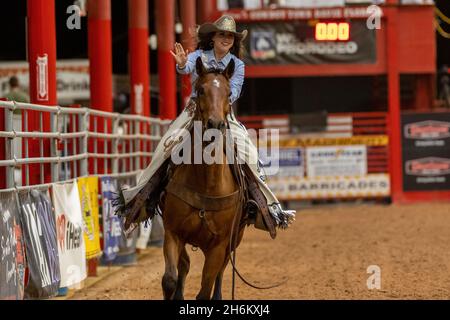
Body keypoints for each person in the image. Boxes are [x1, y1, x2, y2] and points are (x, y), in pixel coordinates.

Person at [117, 15, 295, 235]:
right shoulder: (198, 56)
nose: (226, 39)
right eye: (222, 34)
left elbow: (235, 91)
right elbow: (186, 67)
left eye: (230, 36)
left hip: (222, 113)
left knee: (249, 153)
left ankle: (265, 207)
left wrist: (217, 104)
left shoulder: (238, 65)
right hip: (194, 111)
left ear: (234, 40)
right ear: (213, 37)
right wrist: (182, 64)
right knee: (165, 148)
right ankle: (139, 202)